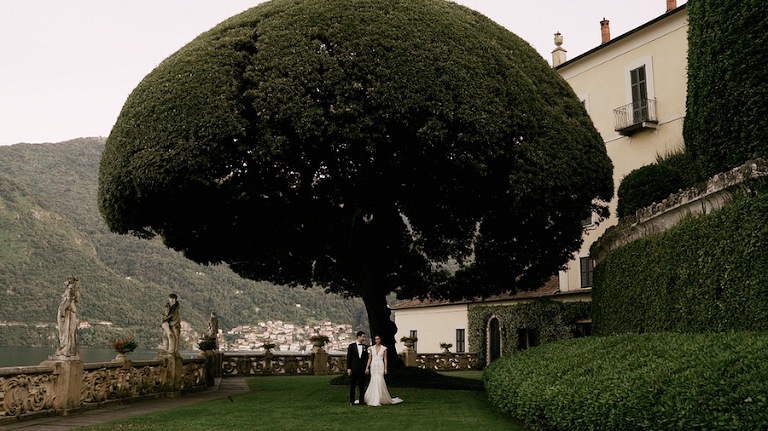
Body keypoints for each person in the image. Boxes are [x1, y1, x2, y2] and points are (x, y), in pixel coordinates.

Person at [364, 334, 403, 406]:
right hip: (373, 365)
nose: (377, 340)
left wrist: (385, 368)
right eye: (376, 339)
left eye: (378, 339)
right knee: (373, 379)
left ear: (380, 340)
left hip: (380, 365)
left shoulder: (384, 348)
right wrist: (367, 367)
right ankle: (372, 396)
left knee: (380, 379)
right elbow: (369, 358)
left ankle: (379, 397)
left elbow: (385, 359)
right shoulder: (371, 348)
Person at [54, 276, 80, 358]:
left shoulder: (69, 290)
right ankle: (70, 350)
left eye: (65, 281)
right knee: (70, 332)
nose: (64, 282)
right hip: (70, 312)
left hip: (66, 312)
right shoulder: (73, 289)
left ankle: (64, 350)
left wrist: (62, 310)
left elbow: (69, 300)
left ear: (68, 281)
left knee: (64, 332)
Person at [346, 330, 368, 405]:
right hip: (354, 369)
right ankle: (352, 400)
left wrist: (366, 368)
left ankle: (361, 400)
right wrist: (348, 368)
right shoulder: (351, 346)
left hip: (362, 369)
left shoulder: (365, 347)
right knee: (353, 385)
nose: (364, 338)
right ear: (358, 337)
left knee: (362, 386)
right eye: (363, 337)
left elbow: (366, 359)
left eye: (364, 337)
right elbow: (349, 358)